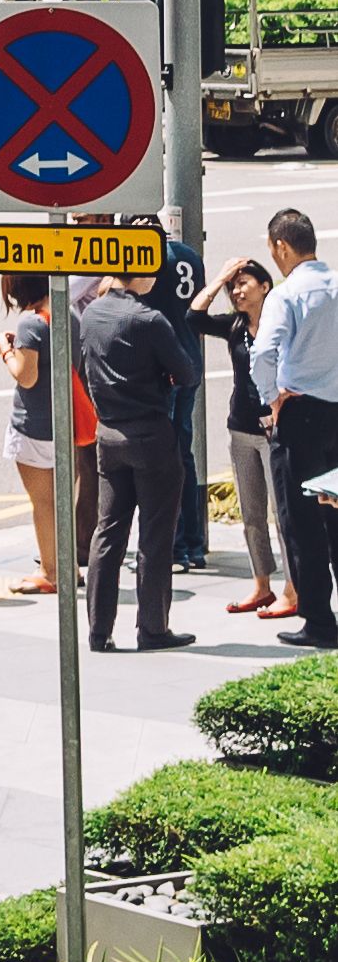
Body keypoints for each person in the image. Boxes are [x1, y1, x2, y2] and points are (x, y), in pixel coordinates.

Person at [78, 268, 200, 653]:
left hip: (109, 434)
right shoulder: (149, 319)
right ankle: (152, 628)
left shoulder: (93, 313)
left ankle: (99, 631)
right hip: (150, 434)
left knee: (108, 533)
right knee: (155, 534)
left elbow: (84, 367)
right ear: (142, 275)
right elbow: (187, 373)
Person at [0, 274, 73, 606]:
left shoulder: (31, 324)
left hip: (34, 426)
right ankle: (67, 565)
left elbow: (26, 376)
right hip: (69, 423)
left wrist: (4, 350)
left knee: (44, 504)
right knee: (64, 502)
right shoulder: (67, 312)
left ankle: (50, 572)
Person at [268, 212, 338, 646]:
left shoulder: (287, 292)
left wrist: (270, 398)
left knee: (303, 521)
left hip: (301, 414)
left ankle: (319, 622)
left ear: (281, 247)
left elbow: (264, 353)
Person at [219, 261, 291, 620]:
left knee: (284, 513)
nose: (236, 292)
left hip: (275, 430)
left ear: (266, 286)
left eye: (243, 283)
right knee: (252, 514)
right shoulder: (234, 327)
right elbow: (193, 319)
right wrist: (220, 277)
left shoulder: (282, 324)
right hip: (240, 428)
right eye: (233, 288)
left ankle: (293, 589)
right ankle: (262, 585)